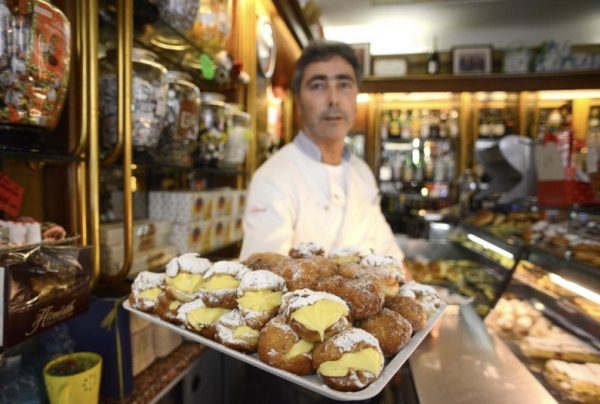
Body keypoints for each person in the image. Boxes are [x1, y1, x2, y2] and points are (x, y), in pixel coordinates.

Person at [240, 40, 403, 261]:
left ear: (356, 94)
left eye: (344, 84)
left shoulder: (362, 172)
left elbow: (392, 258)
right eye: (318, 85)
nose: (334, 100)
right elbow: (263, 280)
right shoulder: (272, 178)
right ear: (298, 100)